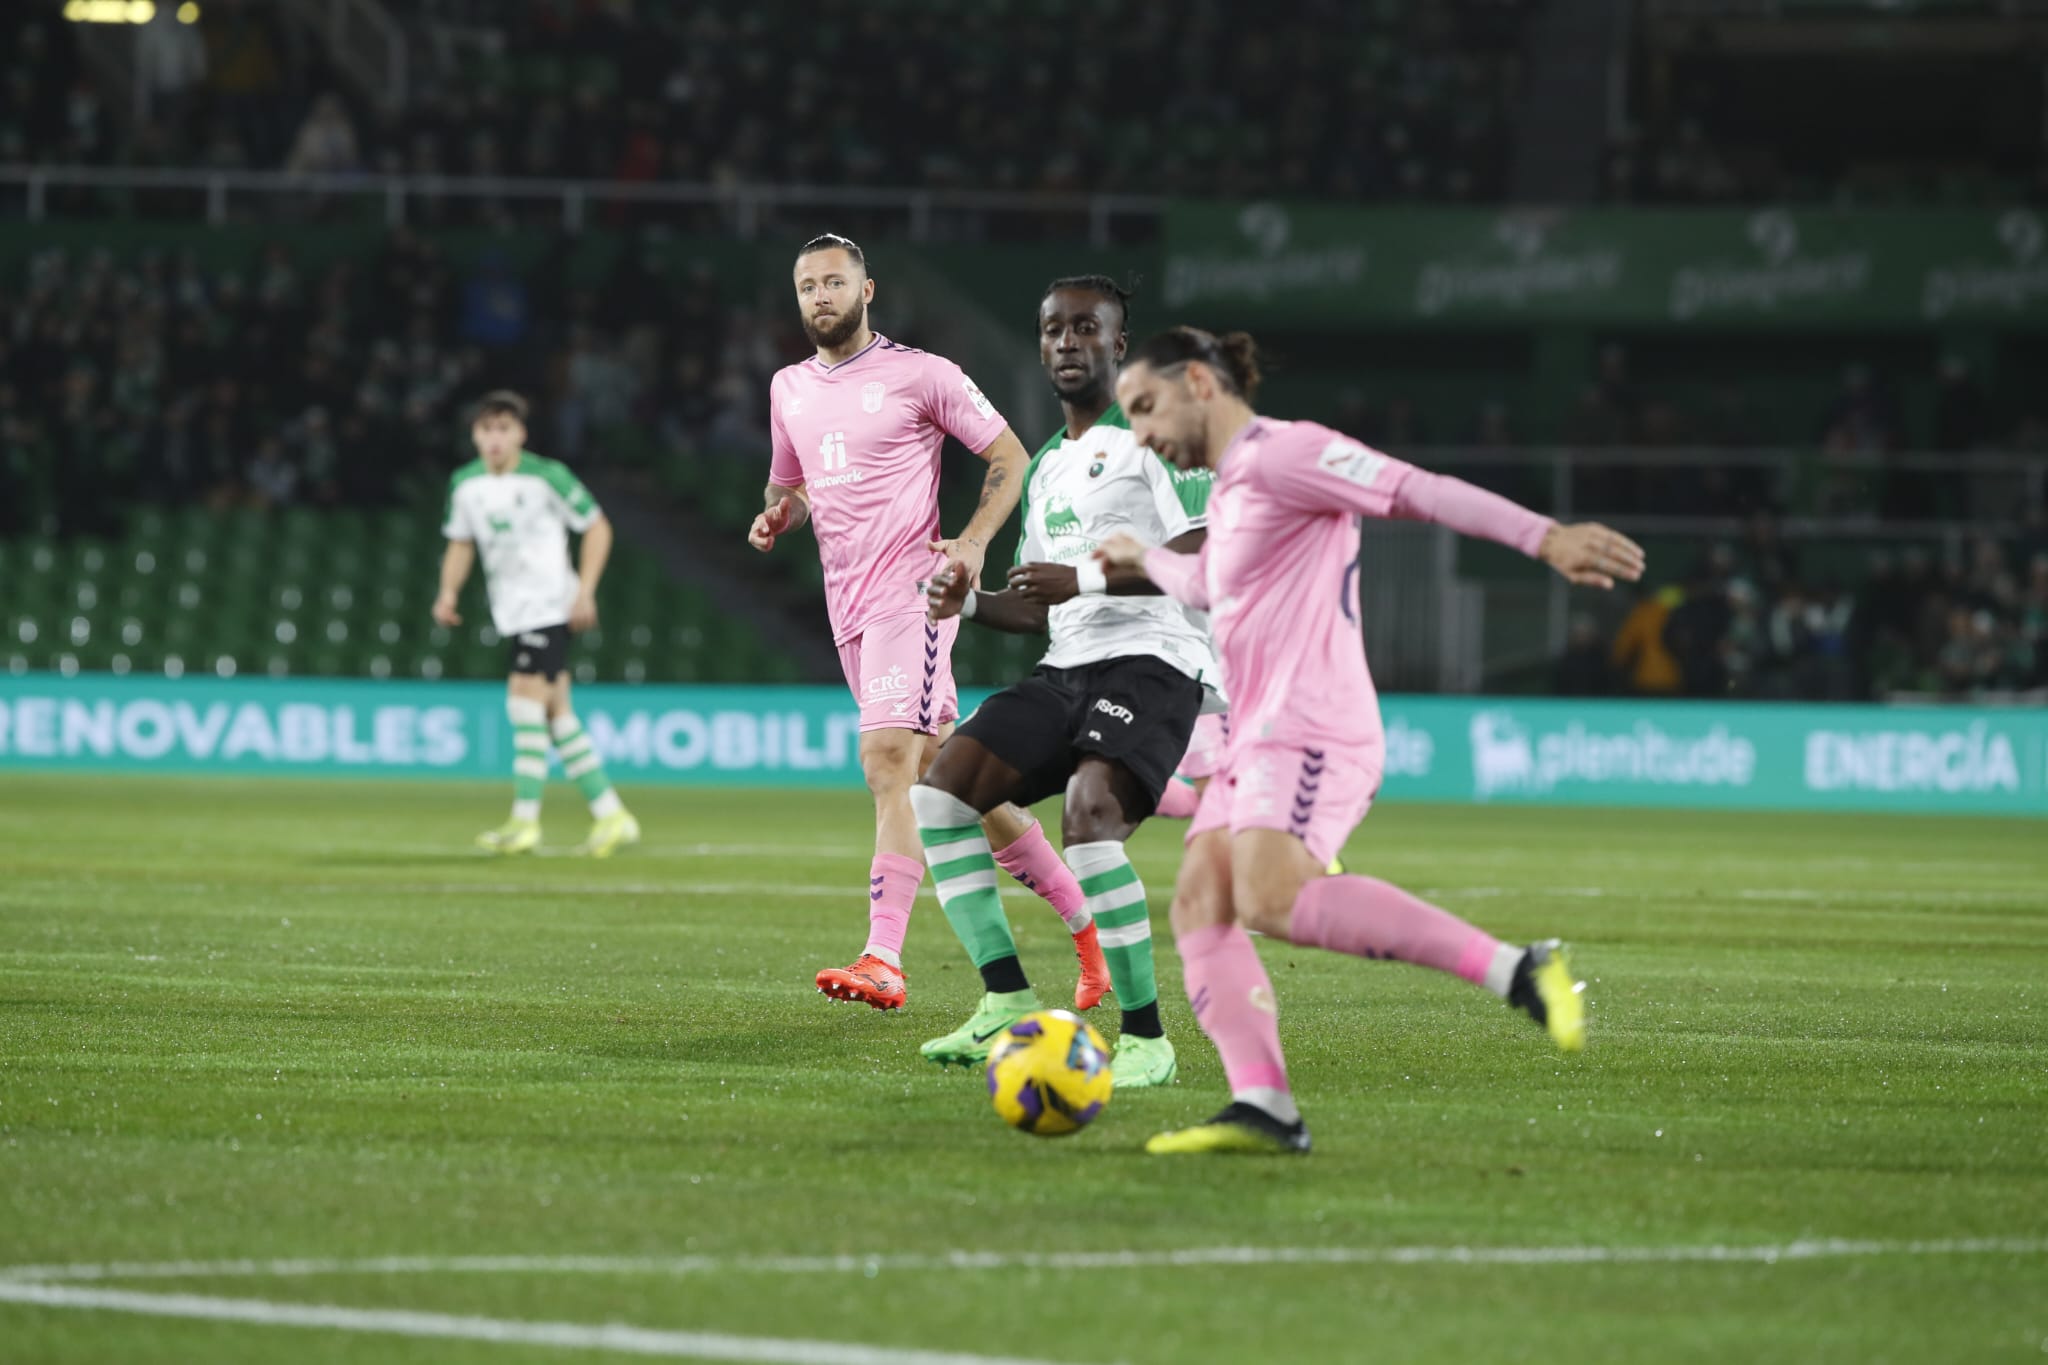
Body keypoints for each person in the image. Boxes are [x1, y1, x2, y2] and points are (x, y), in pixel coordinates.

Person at [1097, 328, 1645, 1155]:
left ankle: (1517, 967)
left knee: (1270, 898)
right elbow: (1210, 584)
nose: (1140, 432)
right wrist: (1142, 557)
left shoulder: (1289, 454)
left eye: (1144, 406)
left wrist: (1545, 537)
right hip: (1256, 730)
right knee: (1200, 907)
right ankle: (1264, 1105)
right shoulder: (1235, 487)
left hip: (1313, 721)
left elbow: (1417, 490)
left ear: (1200, 383)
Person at [750, 234, 1080, 1013]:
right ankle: (1085, 923)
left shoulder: (921, 373)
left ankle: (883, 956)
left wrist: (970, 542)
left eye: (834, 282)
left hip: (914, 592)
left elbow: (1010, 454)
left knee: (887, 760)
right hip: (848, 606)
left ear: (868, 291)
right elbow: (788, 486)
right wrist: (778, 518)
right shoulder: (787, 388)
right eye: (807, 287)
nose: (819, 296)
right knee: (945, 775)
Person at [914, 276, 1213, 1087]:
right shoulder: (1046, 466)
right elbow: (1034, 599)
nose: (1067, 342)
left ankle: (1148, 1036)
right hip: (1065, 667)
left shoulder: (1157, 436)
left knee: (1091, 815)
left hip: (1154, 660)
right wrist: (968, 602)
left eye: (1087, 328)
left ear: (1121, 345)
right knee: (941, 787)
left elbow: (1205, 553)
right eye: (1053, 329)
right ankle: (1005, 998)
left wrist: (1081, 580)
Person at [435, 390, 638, 857]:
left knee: (523, 706)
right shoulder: (465, 484)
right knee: (556, 716)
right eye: (487, 429)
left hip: (550, 606)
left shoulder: (548, 477)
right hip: (512, 610)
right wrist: (448, 591)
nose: (495, 438)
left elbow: (597, 526)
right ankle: (612, 815)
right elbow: (460, 542)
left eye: (504, 428)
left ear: (521, 434)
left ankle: (524, 822)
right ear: (474, 435)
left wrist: (584, 590)